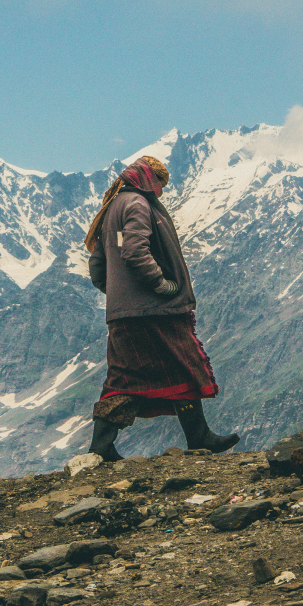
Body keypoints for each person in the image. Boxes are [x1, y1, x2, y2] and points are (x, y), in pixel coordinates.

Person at [85, 154, 240, 461]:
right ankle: (199, 436)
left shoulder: (112, 207)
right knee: (182, 364)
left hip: (124, 314)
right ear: (147, 178)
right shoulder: (138, 205)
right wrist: (160, 284)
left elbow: (97, 265)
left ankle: (101, 446)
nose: (162, 191)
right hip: (154, 310)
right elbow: (135, 251)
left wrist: (118, 293)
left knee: (124, 377)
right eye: (160, 183)